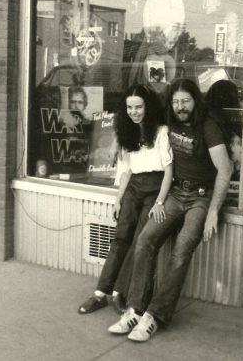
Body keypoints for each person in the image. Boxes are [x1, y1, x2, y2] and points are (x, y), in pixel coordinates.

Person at [108, 78, 233, 341]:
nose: (180, 106)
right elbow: (137, 115)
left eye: (185, 100)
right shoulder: (168, 120)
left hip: (200, 198)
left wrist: (213, 211)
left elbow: (226, 169)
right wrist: (116, 142)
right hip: (175, 193)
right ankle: (134, 310)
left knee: (181, 250)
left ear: (195, 100)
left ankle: (155, 315)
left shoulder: (207, 126)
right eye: (176, 101)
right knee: (144, 241)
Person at [78, 84, 173, 315]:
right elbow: (127, 170)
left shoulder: (161, 132)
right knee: (120, 237)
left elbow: (169, 171)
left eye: (138, 107)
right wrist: (118, 198)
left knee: (139, 239)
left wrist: (160, 201)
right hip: (133, 187)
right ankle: (101, 293)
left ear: (147, 107)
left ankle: (120, 292)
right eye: (129, 107)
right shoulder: (126, 131)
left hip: (154, 189)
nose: (134, 112)